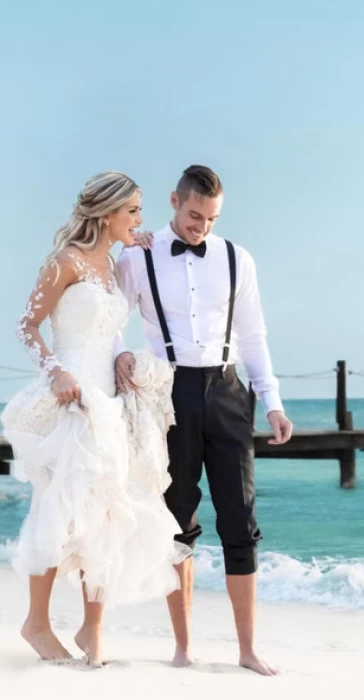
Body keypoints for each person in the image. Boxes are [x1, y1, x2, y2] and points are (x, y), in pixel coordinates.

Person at [1, 172, 187, 667]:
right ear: (107, 214)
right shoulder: (66, 262)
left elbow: (111, 333)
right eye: (133, 212)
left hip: (109, 399)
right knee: (61, 513)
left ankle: (93, 632)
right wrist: (55, 370)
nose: (140, 220)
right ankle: (36, 622)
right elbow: (26, 324)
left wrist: (124, 358)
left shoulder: (110, 264)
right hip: (71, 399)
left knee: (109, 514)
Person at [115, 165, 293, 674]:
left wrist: (272, 401)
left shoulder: (237, 259)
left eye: (211, 219)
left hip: (229, 392)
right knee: (178, 521)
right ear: (174, 201)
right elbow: (110, 317)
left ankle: (247, 650)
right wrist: (117, 354)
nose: (201, 228)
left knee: (240, 520)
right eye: (194, 216)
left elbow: (254, 335)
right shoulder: (138, 255)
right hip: (168, 393)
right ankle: (183, 647)